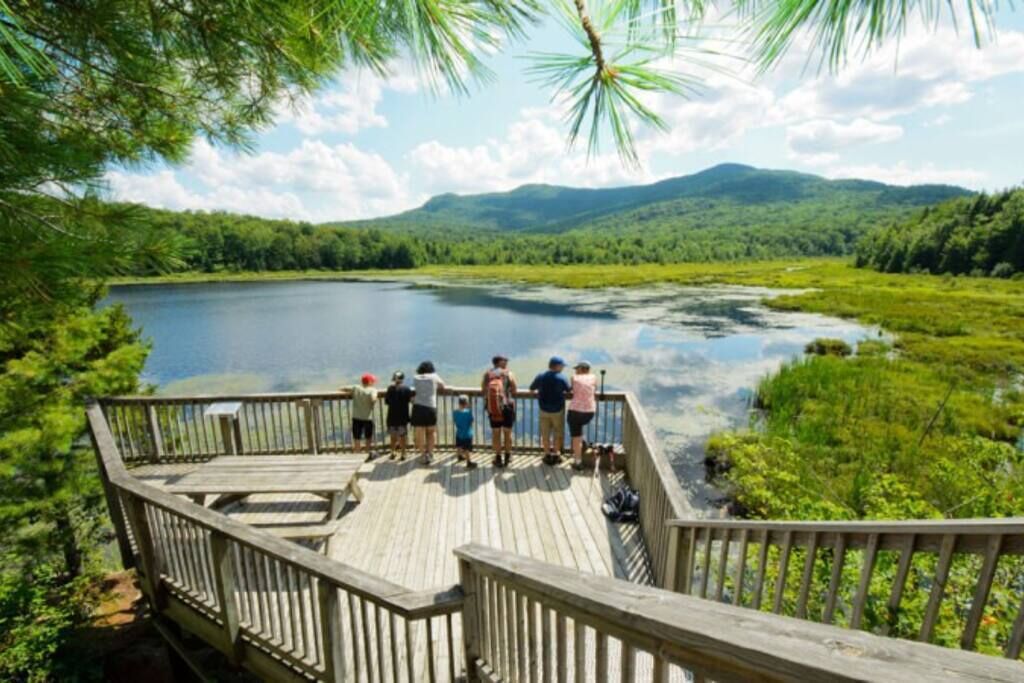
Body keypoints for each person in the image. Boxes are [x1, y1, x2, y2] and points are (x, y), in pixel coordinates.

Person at [530, 356, 571, 465]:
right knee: (558, 433)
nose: (563, 368)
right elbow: (568, 390)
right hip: (558, 410)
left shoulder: (540, 376)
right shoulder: (562, 378)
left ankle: (547, 455)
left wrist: (538, 395)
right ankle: (557, 454)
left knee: (545, 434)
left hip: (543, 410)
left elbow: (531, 388)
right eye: (562, 366)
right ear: (557, 366)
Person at [482, 354, 517, 468]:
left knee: (496, 433)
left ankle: (498, 457)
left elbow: (483, 390)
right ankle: (508, 456)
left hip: (494, 408)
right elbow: (515, 390)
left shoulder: (487, 374)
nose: (506, 362)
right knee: (507, 433)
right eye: (505, 360)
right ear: (499, 362)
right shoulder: (509, 373)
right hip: (507, 407)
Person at [411, 360, 445, 464]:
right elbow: (442, 385)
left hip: (418, 408)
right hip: (430, 407)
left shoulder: (415, 377)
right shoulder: (434, 376)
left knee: (419, 434)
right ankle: (430, 454)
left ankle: (423, 455)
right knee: (431, 432)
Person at [568, 361, 597, 471]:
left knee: (576, 437)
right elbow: (594, 389)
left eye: (577, 368)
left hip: (575, 411)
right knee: (579, 431)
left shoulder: (574, 377)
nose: (575, 370)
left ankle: (578, 462)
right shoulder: (594, 377)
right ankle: (583, 443)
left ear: (582, 369)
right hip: (589, 411)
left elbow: (572, 390)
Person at [384, 370, 413, 460]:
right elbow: (410, 400)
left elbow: (387, 402)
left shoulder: (390, 389)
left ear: (394, 379)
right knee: (403, 436)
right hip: (403, 416)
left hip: (392, 416)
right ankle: (403, 453)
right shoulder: (407, 389)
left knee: (393, 436)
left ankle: (392, 452)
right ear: (402, 379)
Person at [350, 373, 378, 458]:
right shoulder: (373, 390)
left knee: (357, 437)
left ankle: (357, 454)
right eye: (372, 381)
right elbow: (373, 398)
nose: (373, 383)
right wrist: (373, 401)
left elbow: (343, 388)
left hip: (356, 417)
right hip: (367, 418)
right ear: (369, 382)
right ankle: (367, 454)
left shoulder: (356, 388)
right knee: (368, 437)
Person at [452, 394, 478, 469]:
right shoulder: (468, 412)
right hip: (467, 434)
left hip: (459, 433)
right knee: (467, 449)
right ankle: (469, 462)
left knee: (459, 445)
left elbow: (455, 421)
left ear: (459, 403)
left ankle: (459, 456)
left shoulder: (455, 412)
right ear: (466, 404)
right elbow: (472, 420)